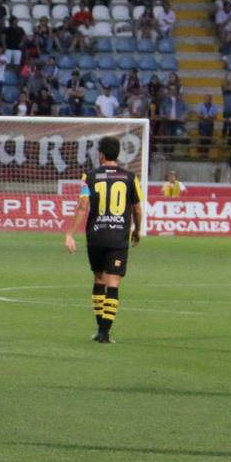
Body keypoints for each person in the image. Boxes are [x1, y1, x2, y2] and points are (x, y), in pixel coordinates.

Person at [63, 136, 143, 344]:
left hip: (96, 235)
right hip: (118, 236)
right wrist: (137, 230)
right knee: (113, 284)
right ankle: (105, 333)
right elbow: (137, 208)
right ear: (118, 154)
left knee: (99, 280)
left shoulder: (88, 177)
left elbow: (82, 206)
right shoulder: (130, 177)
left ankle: (100, 329)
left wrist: (70, 233)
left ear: (101, 155)